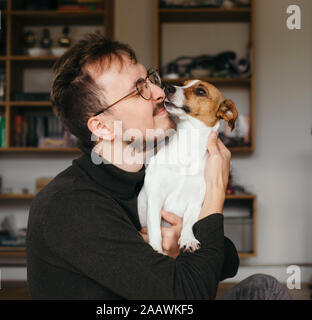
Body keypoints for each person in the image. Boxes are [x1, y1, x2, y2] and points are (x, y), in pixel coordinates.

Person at [26, 33, 291, 300]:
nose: (159, 92)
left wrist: (178, 243)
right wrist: (215, 190)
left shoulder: (147, 175)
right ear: (102, 127)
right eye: (138, 89)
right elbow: (188, 296)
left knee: (263, 287)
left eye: (150, 79)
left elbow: (227, 259)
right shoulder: (70, 206)